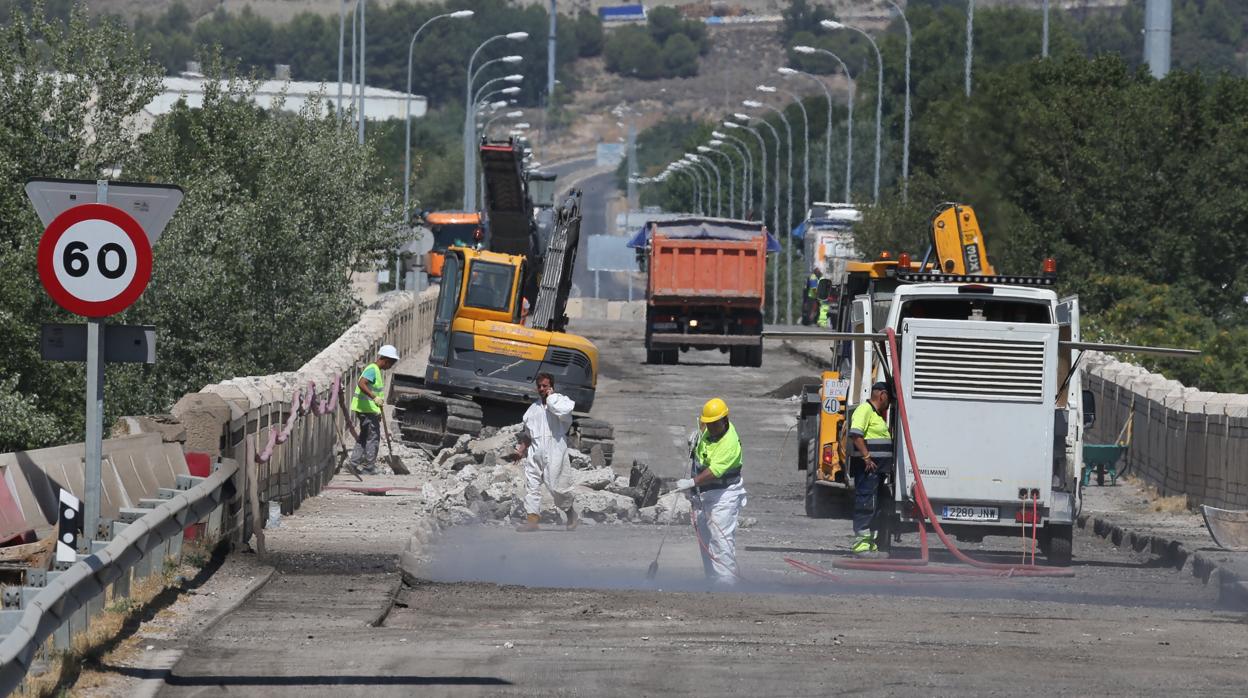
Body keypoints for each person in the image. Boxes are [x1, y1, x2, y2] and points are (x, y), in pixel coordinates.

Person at [675, 397, 747, 585]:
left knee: (720, 539)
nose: (711, 428)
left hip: (723, 495)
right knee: (705, 540)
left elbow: (714, 472)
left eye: (714, 424)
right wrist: (696, 437)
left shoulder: (729, 444)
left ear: (725, 420)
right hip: (703, 494)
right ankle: (712, 579)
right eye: (708, 424)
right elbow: (702, 428)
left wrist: (691, 482)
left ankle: (726, 581)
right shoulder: (708, 428)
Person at [515, 373, 579, 532]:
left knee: (557, 487)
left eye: (545, 386)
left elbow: (564, 411)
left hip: (555, 449)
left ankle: (571, 513)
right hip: (536, 452)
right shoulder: (532, 410)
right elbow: (528, 434)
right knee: (532, 485)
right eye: (539, 386)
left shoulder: (560, 402)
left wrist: (551, 398)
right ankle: (532, 520)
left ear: (551, 386)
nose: (542, 389)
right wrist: (521, 450)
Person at [849, 381, 894, 554]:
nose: (889, 403)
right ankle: (861, 546)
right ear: (882, 395)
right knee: (866, 504)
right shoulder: (865, 410)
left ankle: (870, 544)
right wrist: (867, 457)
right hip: (868, 470)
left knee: (875, 506)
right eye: (888, 398)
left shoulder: (876, 414)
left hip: (877, 472)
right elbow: (856, 434)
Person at [348, 345, 400, 475]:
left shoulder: (375, 370)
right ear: (386, 360)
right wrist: (374, 397)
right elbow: (361, 383)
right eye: (391, 363)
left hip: (368, 410)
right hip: (366, 410)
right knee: (373, 437)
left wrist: (377, 410)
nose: (390, 366)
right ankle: (369, 467)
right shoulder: (372, 369)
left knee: (364, 436)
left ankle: (353, 463)